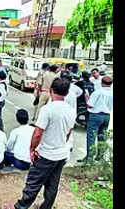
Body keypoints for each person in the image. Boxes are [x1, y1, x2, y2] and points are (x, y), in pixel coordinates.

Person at [11, 78, 76, 209]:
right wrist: (62, 142)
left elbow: (38, 133)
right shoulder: (71, 110)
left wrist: (32, 149)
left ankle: (21, 206)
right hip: (61, 154)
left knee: (33, 184)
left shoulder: (47, 109)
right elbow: (68, 132)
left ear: (51, 90)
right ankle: (46, 207)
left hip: (46, 155)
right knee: (52, 185)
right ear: (67, 93)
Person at [78, 76, 113, 163]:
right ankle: (100, 157)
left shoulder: (97, 92)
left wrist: (87, 98)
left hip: (95, 115)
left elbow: (90, 105)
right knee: (102, 136)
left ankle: (89, 158)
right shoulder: (112, 93)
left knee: (91, 137)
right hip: (106, 116)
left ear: (101, 83)